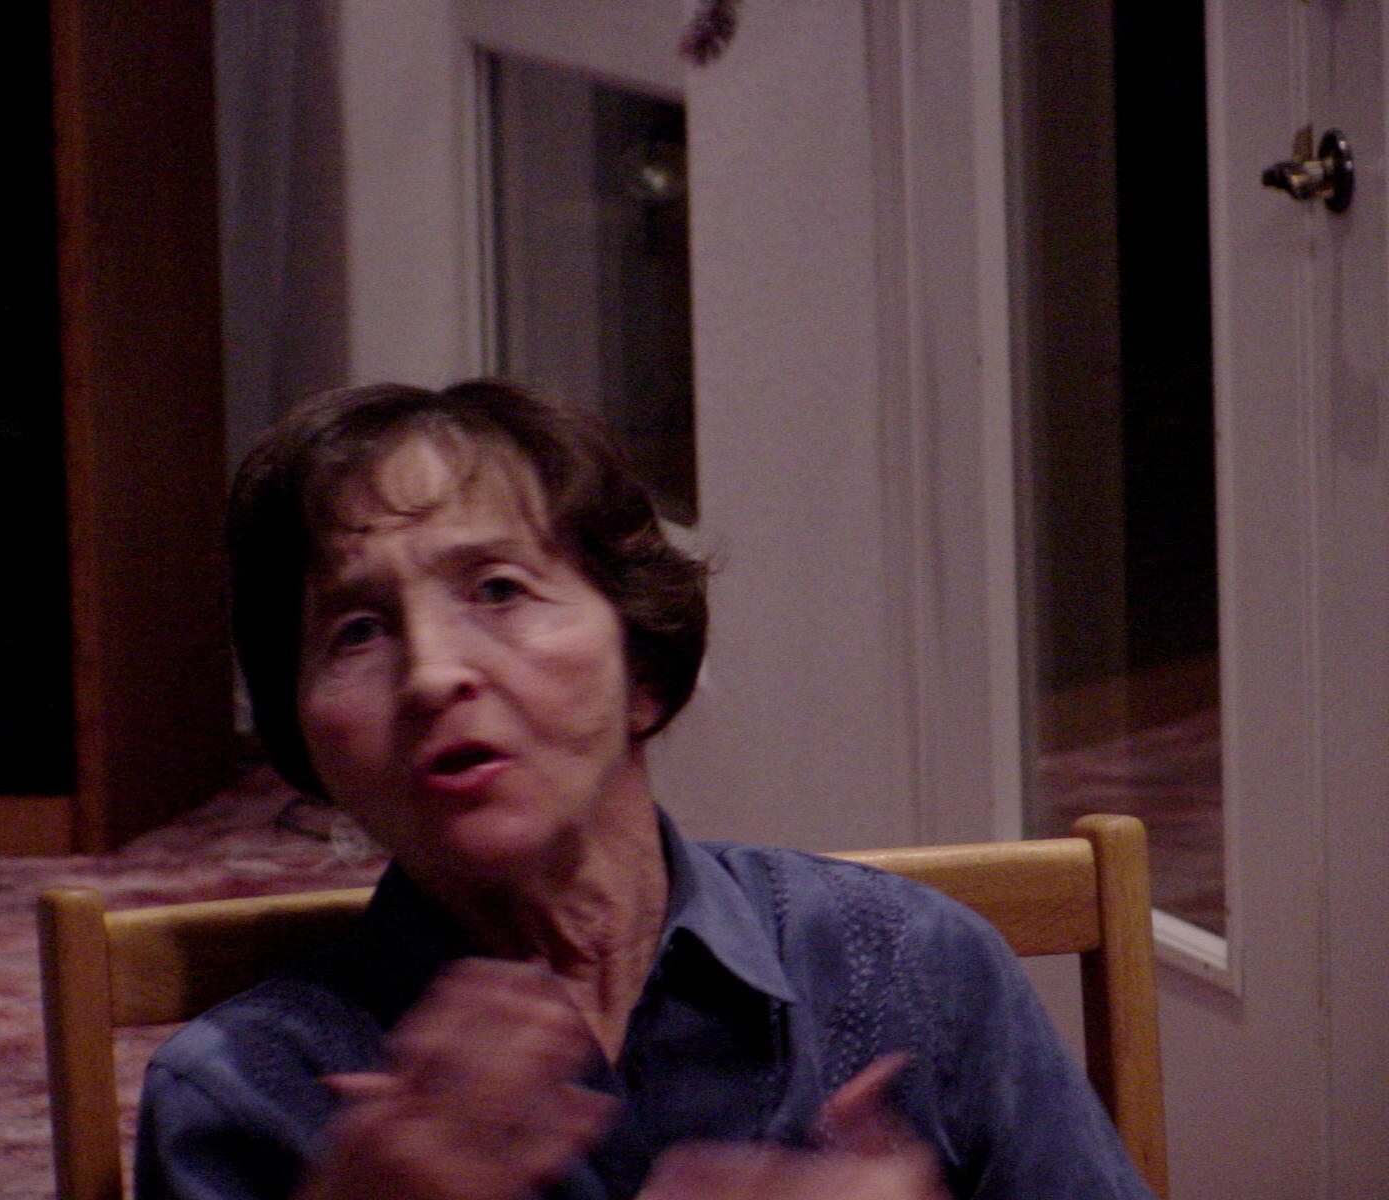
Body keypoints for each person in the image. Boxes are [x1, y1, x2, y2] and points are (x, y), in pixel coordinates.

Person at [134, 379, 1155, 1200]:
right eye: (356, 630)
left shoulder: (909, 967)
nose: (433, 673)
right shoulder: (246, 1095)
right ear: (308, 743)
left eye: (498, 589)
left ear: (646, 668)